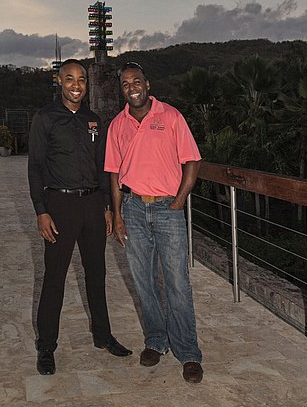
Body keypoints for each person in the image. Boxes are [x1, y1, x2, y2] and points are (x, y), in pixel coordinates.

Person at [28, 59, 132, 375]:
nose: (76, 85)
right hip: (59, 205)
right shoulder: (45, 118)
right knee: (54, 278)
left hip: (91, 205)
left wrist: (107, 209)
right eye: (70, 79)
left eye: (82, 80)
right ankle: (46, 347)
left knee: (96, 273)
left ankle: (103, 336)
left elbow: (103, 167)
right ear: (59, 82)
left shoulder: (93, 121)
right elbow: (34, 166)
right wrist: (41, 211)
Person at [104, 61, 203, 383]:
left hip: (167, 210)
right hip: (132, 208)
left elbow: (192, 160)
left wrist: (180, 200)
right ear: (122, 89)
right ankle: (156, 342)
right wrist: (117, 215)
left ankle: (188, 352)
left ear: (147, 85)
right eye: (125, 83)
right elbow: (115, 174)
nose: (131, 87)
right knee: (144, 281)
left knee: (177, 282)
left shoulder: (171, 116)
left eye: (136, 81)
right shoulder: (117, 125)